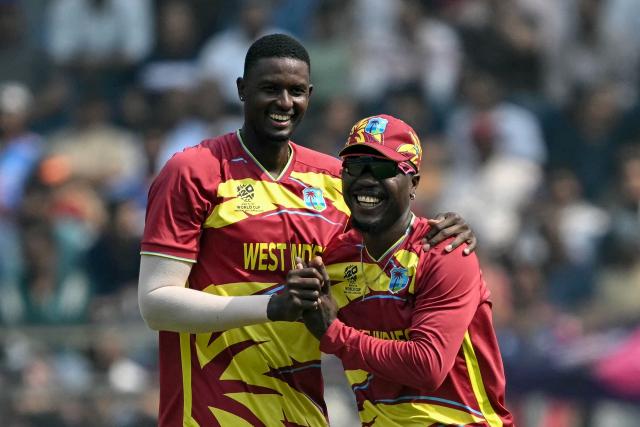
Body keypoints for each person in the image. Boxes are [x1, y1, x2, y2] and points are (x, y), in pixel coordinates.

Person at [138, 34, 477, 426]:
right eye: (270, 89)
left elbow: (389, 247)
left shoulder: (336, 178)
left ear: (310, 95)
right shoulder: (194, 171)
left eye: (296, 91)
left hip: (302, 415)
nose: (284, 103)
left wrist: (444, 232)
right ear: (242, 90)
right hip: (209, 414)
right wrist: (273, 306)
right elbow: (156, 304)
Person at [288, 114, 514, 426]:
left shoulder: (445, 252)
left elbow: (428, 366)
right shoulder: (332, 259)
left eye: (382, 168)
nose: (366, 179)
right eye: (355, 166)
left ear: (414, 184)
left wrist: (334, 333)